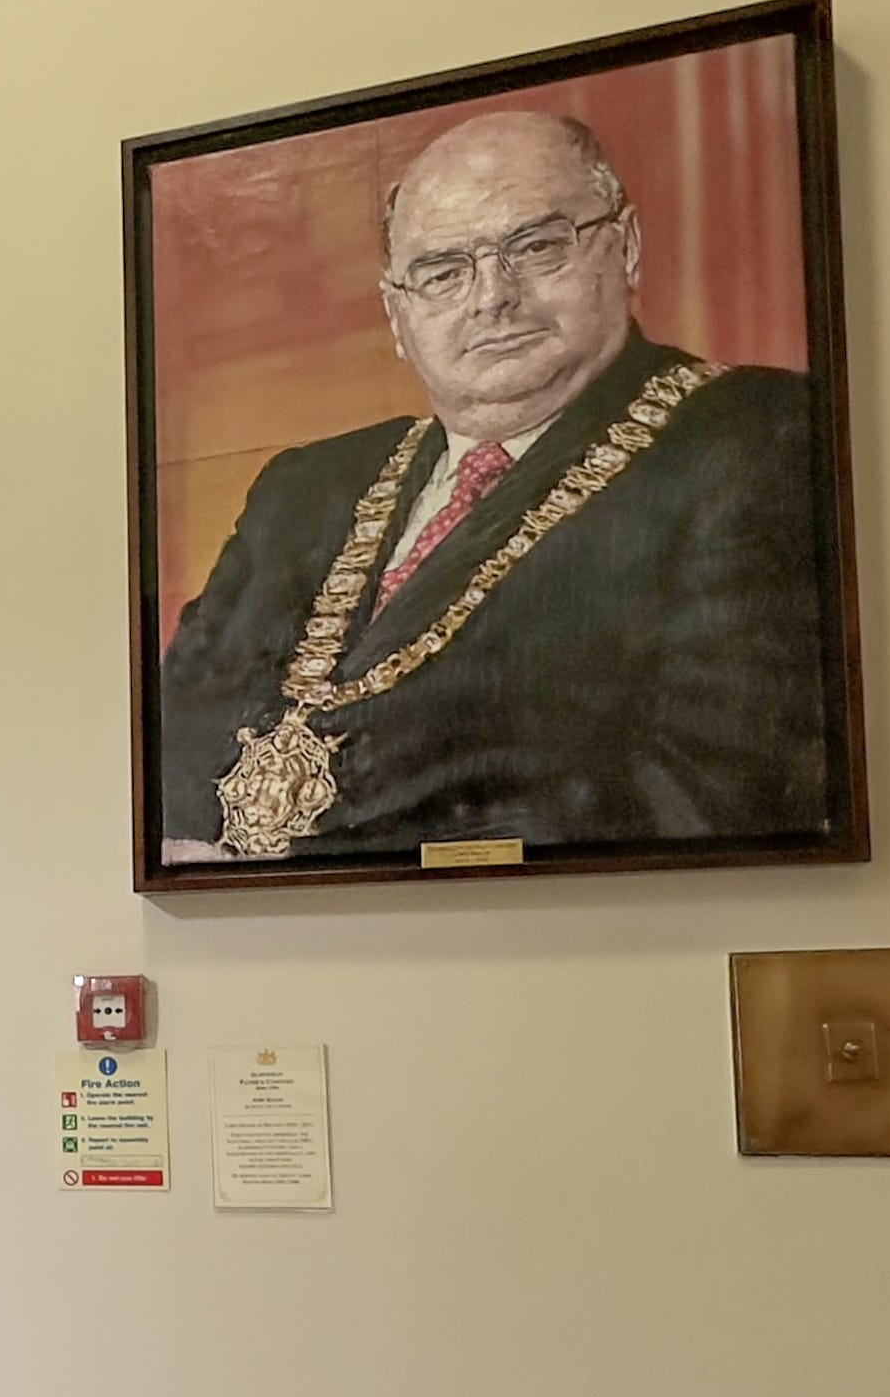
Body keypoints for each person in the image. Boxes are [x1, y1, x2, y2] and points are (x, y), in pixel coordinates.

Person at [158, 109, 833, 862]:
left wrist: (309, 866)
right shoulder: (302, 487)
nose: (491, 297)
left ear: (627, 249)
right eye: (442, 273)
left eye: (536, 247)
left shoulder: (753, 435)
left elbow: (706, 790)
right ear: (395, 314)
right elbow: (172, 745)